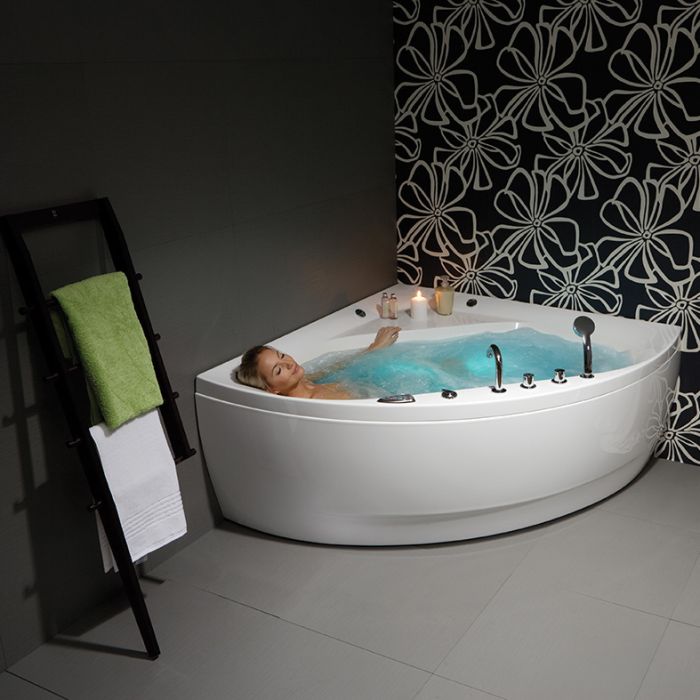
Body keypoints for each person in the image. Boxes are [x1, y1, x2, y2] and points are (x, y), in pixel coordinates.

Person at [234, 326, 401, 399]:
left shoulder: (306, 381)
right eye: (278, 370)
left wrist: (373, 348)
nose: (288, 363)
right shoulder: (319, 400)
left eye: (282, 355)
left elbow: (336, 366)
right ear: (272, 389)